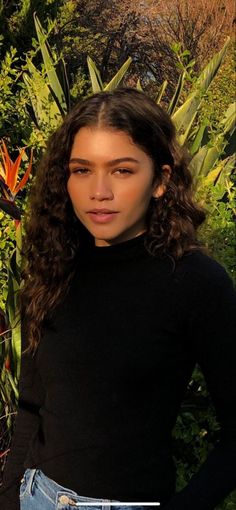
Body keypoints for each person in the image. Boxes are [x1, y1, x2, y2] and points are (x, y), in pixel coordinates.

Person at [0, 87, 235, 510]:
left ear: (161, 181)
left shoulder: (197, 283)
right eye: (81, 170)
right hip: (35, 496)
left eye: (122, 170)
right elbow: (32, 407)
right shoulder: (55, 264)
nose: (99, 191)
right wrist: (9, 494)